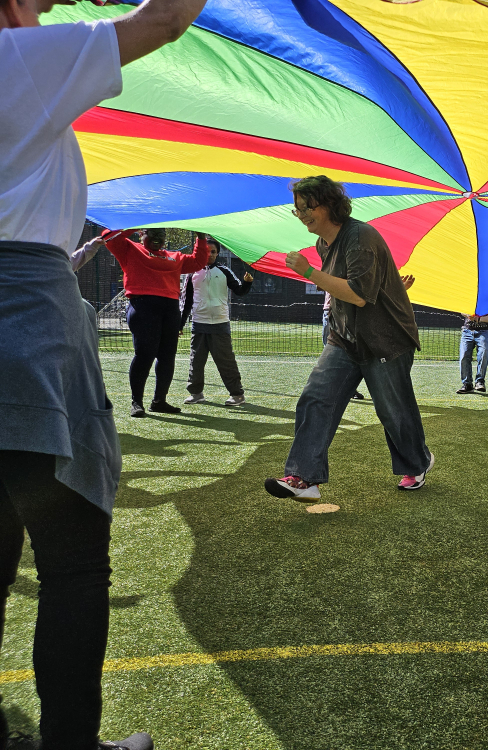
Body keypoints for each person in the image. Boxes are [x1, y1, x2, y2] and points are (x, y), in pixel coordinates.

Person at [0, 0, 209, 748]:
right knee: (74, 565)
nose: (51, 10)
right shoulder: (18, 56)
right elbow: (168, 17)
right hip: (27, 333)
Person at [264, 176, 433, 500]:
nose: (301, 214)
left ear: (328, 204)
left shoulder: (360, 237)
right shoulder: (322, 245)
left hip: (386, 338)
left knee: (393, 412)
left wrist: (309, 273)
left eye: (306, 207)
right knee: (316, 398)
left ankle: (418, 462)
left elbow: (358, 294)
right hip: (344, 337)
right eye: (296, 209)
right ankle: (304, 478)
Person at [105, 227, 210, 417]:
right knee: (145, 355)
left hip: (170, 310)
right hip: (143, 307)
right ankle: (136, 402)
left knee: (167, 357)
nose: (157, 238)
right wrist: (139, 223)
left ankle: (159, 401)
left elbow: (198, 261)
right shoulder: (130, 249)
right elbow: (109, 237)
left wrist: (200, 236)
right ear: (141, 235)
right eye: (152, 233)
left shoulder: (175, 257)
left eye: (161, 235)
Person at [179, 236, 253, 406]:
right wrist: (180, 324)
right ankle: (196, 393)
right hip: (199, 324)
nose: (210, 255)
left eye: (213, 252)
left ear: (218, 253)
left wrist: (247, 283)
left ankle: (237, 395)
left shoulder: (225, 271)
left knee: (226, 361)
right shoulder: (192, 274)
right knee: (196, 361)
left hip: (220, 324)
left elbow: (240, 290)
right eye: (206, 251)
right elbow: (186, 302)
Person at [456, 311, 488, 394]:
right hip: (467, 331)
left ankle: (480, 381)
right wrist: (468, 315)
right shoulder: (469, 298)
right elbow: (462, 310)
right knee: (464, 356)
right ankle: (467, 384)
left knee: (483, 353)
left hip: (484, 332)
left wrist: (477, 319)